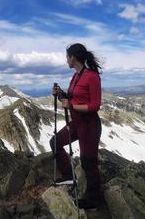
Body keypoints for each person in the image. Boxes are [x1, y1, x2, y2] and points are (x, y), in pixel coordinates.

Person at [50, 43, 102, 210]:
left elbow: (95, 106)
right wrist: (60, 95)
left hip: (89, 125)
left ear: (73, 57)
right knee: (55, 142)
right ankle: (68, 174)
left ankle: (94, 200)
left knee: (88, 162)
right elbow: (71, 99)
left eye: (67, 57)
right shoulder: (76, 76)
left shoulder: (92, 76)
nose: (66, 60)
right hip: (77, 123)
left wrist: (70, 105)